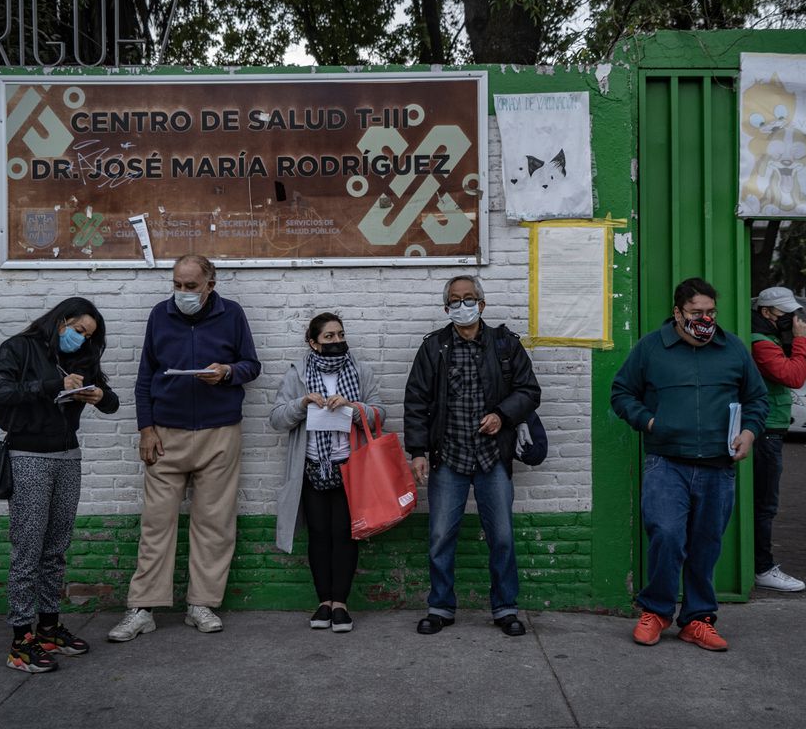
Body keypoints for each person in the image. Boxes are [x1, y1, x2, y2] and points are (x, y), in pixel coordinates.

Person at [108, 254, 261, 642]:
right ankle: (142, 608)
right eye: (177, 284)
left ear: (211, 284)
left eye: (191, 286)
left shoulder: (232, 315)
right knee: (156, 523)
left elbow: (251, 365)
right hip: (166, 432)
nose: (182, 293)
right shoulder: (160, 315)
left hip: (219, 432)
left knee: (214, 523)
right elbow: (145, 376)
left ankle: (201, 604)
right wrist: (146, 428)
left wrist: (227, 372)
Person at [610, 277, 768, 652]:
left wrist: (749, 433)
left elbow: (758, 399)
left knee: (705, 544)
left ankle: (697, 619)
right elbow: (621, 392)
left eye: (711, 312)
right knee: (666, 534)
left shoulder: (733, 350)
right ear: (677, 313)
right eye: (697, 312)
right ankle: (657, 611)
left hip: (717, 466)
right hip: (667, 462)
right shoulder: (652, 347)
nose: (706, 319)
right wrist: (648, 421)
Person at [404, 275, 541, 637]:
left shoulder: (505, 345)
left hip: (492, 457)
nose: (461, 305)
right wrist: (418, 451)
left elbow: (529, 390)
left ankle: (505, 607)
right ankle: (440, 606)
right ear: (445, 307)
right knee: (439, 536)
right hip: (448, 457)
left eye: (468, 299)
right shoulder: (434, 347)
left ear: (481, 304)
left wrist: (502, 414)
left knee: (502, 537)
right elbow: (416, 401)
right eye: (454, 300)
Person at [0, 297, 119, 673]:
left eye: (88, 335)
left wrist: (98, 396)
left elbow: (112, 403)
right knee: (28, 550)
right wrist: (52, 384)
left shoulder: (83, 358)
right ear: (60, 321)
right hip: (27, 456)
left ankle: (48, 628)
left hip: (68, 457)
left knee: (56, 549)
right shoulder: (18, 347)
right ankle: (20, 640)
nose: (82, 338)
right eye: (78, 330)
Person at [270, 313, 386, 633]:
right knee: (319, 535)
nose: (337, 342)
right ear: (313, 342)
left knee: (346, 534)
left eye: (340, 335)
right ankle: (323, 602)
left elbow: (380, 413)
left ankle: (341, 604)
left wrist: (353, 406)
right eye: (328, 337)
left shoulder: (360, 371)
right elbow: (277, 418)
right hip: (311, 465)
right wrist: (302, 402)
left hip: (350, 466)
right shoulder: (298, 373)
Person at [750, 286, 806, 593]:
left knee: (763, 501)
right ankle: (761, 567)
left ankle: (757, 564)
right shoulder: (761, 343)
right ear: (766, 313)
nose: (794, 319)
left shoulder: (771, 338)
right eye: (787, 314)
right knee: (764, 503)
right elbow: (793, 377)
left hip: (769, 428)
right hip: (763, 431)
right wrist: (801, 341)